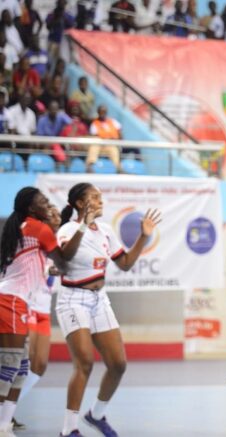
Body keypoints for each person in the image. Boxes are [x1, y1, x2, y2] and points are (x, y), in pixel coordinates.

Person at [55, 183, 161, 437]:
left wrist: (143, 236)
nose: (101, 201)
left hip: (99, 300)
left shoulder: (105, 230)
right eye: (94, 198)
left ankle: (96, 414)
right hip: (73, 299)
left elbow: (124, 264)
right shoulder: (68, 229)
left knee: (118, 364)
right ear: (80, 203)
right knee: (85, 363)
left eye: (101, 198)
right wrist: (82, 225)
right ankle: (69, 429)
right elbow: (65, 256)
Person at [0, 188, 81, 435]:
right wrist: (83, 228)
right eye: (43, 202)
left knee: (22, 367)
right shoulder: (38, 228)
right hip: (10, 302)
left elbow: (45, 263)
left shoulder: (27, 227)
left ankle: (4, 426)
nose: (47, 204)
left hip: (16, 301)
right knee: (9, 366)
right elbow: (64, 260)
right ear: (32, 208)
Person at [18, 206, 61, 402]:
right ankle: (6, 411)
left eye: (58, 214)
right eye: (51, 214)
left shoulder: (61, 244)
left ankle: (10, 408)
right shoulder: (34, 241)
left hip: (45, 309)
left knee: (40, 365)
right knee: (24, 361)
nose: (57, 217)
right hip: (29, 306)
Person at [88, 105, 122, 172]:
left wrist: (117, 140)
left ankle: (118, 168)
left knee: (113, 149)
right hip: (100, 146)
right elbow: (94, 136)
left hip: (111, 144)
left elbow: (120, 134)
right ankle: (90, 166)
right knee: (94, 144)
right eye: (101, 112)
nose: (103, 113)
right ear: (98, 112)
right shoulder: (94, 123)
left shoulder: (113, 121)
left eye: (104, 112)